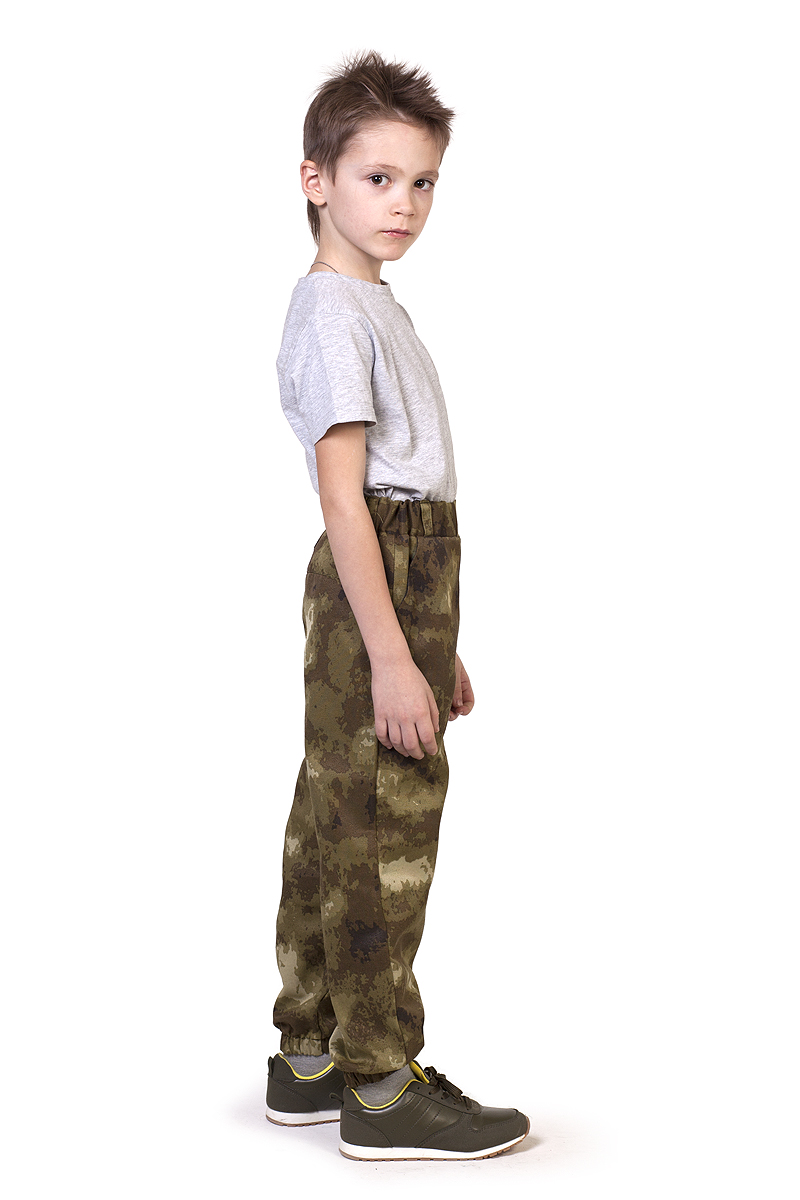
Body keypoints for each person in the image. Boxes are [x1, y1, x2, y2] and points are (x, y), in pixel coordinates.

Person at [265, 51, 529, 1162]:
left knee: (337, 808)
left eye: (422, 182)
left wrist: (431, 645)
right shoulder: (334, 312)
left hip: (402, 580)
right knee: (383, 830)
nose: (404, 203)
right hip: (380, 567)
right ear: (316, 179)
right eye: (377, 178)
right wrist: (389, 653)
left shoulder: (368, 302)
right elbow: (347, 497)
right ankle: (379, 1084)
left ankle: (309, 1055)